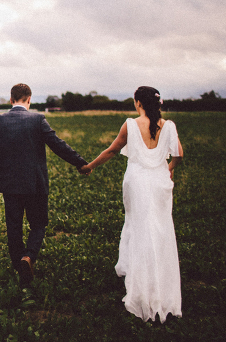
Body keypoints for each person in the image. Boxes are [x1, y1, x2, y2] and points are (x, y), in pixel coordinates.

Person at [80, 86, 183, 323]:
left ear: (138, 103)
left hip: (137, 182)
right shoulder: (169, 126)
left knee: (139, 228)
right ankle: (160, 284)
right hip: (159, 183)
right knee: (160, 229)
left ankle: (140, 286)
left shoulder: (130, 124)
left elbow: (112, 150)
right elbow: (179, 154)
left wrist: (89, 166)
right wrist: (167, 169)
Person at [0, 83, 90, 288]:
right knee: (38, 223)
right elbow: (58, 145)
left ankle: (18, 264)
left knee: (13, 225)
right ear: (29, 99)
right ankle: (29, 258)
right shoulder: (37, 119)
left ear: (11, 99)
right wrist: (80, 163)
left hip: (10, 185)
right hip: (35, 183)